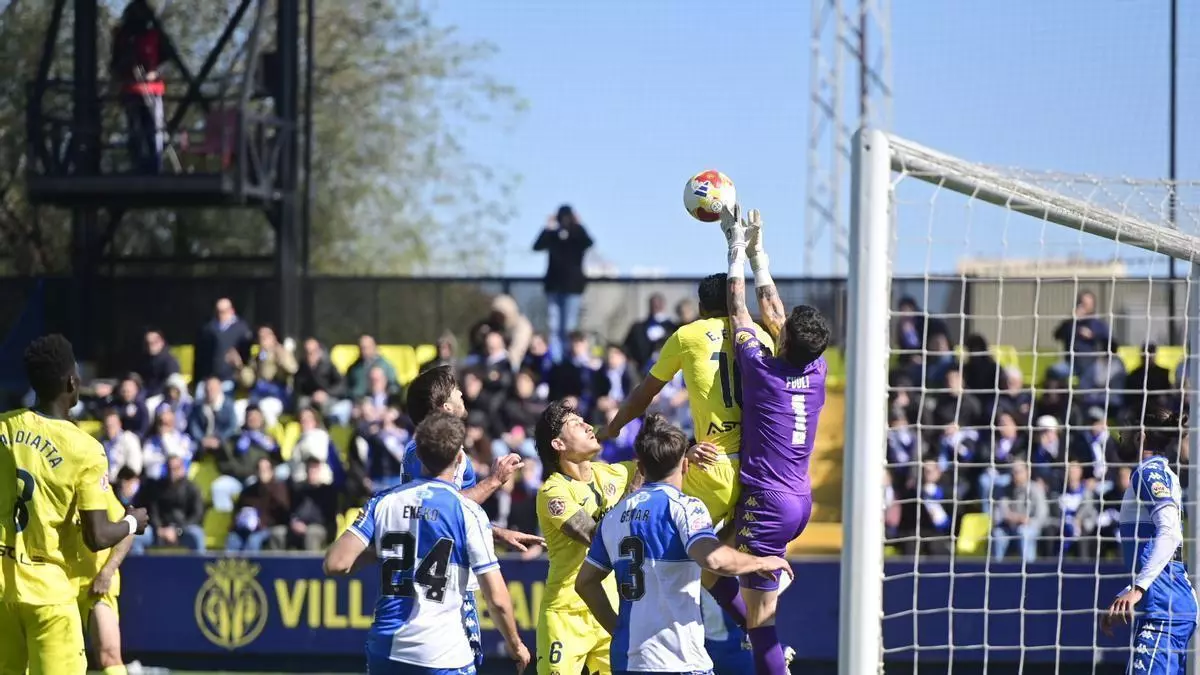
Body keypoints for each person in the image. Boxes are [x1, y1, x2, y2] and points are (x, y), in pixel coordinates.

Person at [598, 271, 775, 626]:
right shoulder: (761, 334)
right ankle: (754, 631)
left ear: (699, 306)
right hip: (764, 468)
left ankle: (646, 631)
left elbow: (644, 394)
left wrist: (612, 428)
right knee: (712, 561)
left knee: (655, 539)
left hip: (717, 469)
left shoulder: (688, 335)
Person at [575, 414, 793, 675]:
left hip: (628, 661)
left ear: (641, 469)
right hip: (677, 661)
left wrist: (620, 628)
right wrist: (760, 562)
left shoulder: (614, 517)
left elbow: (585, 583)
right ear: (686, 466)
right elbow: (712, 559)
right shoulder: (686, 507)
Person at [323, 412, 531, 675]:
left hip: (387, 652)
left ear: (417, 455)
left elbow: (335, 563)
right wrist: (516, 645)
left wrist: (385, 550)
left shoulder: (383, 502)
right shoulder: (467, 511)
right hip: (442, 654)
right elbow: (497, 599)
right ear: (458, 459)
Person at [0, 334, 149, 675]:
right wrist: (133, 523)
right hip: (49, 592)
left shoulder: (3, 428)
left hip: (3, 589)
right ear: (72, 381)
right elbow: (96, 536)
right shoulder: (84, 449)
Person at [723, 206, 830, 675]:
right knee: (732, 589)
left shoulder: (764, 373)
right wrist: (758, 254)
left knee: (750, 610)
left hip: (768, 504)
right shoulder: (818, 368)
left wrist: (733, 251)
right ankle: (762, 642)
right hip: (798, 501)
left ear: (782, 342)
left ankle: (768, 654)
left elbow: (740, 312)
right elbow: (773, 316)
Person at [399, 365, 544, 667]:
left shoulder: (450, 452)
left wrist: (497, 532)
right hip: (436, 581)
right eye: (456, 389)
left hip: (447, 576)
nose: (463, 392)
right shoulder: (421, 452)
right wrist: (494, 481)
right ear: (445, 407)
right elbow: (438, 507)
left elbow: (457, 513)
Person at [534, 400, 640, 675]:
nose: (588, 426)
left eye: (584, 420)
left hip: (609, 610)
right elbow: (596, 536)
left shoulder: (614, 472)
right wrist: (637, 485)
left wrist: (691, 452)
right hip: (566, 616)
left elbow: (663, 463)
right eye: (575, 424)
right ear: (558, 444)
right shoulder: (552, 492)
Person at [1101, 406, 1197, 674]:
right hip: (1163, 603)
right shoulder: (1157, 473)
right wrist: (1126, 594)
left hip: (1163, 607)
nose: (1121, 432)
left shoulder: (1148, 472)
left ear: (1141, 434)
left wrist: (1138, 589)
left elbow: (1170, 533)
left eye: (1127, 426)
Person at [64, 490, 135, 675]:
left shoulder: (97, 486)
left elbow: (128, 528)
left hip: (94, 585)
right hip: (57, 584)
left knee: (109, 655)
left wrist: (107, 572)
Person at [533, 205, 594, 363]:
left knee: (569, 326)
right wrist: (548, 227)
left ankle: (570, 358)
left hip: (573, 288)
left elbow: (589, 242)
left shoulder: (577, 234)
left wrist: (578, 225)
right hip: (554, 287)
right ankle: (556, 359)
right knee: (554, 326)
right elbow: (537, 246)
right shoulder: (553, 235)